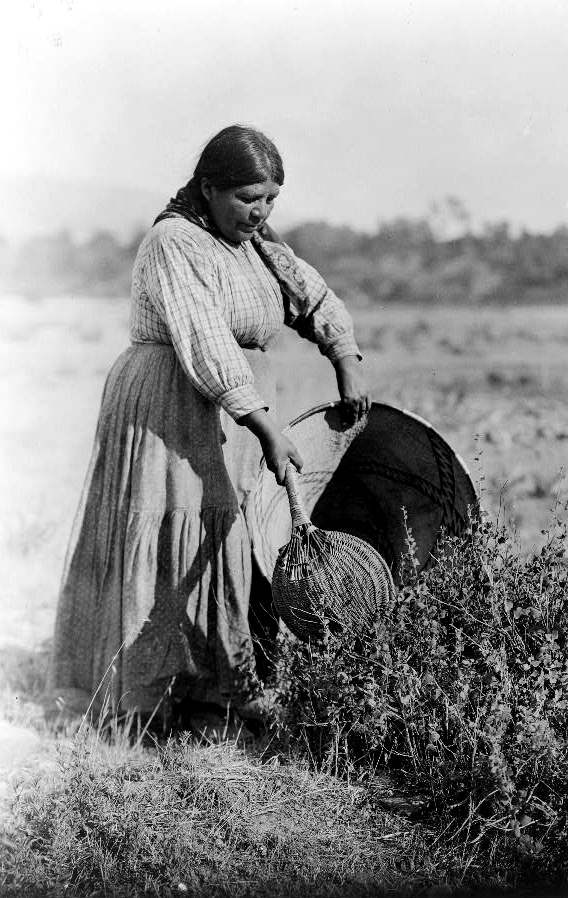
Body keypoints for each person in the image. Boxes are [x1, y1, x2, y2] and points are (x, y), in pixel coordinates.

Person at [49, 124, 369, 733]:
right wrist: (266, 425)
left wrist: (345, 358)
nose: (261, 210)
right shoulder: (174, 241)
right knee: (171, 526)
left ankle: (210, 693)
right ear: (208, 188)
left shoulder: (257, 245)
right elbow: (205, 338)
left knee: (223, 536)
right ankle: (143, 704)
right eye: (249, 197)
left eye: (271, 198)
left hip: (231, 408)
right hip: (171, 398)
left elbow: (312, 296)